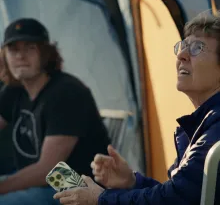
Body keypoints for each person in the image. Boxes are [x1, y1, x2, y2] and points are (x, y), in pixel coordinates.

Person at [54, 12, 220, 204]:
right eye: (182, 47)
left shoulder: (215, 125)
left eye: (197, 48)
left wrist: (100, 199)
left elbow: (175, 199)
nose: (181, 55)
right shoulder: (203, 124)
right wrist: (131, 182)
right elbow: (177, 193)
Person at [0, 18, 110, 205]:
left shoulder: (66, 92)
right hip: (39, 181)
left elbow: (48, 170)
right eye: (13, 49)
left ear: (46, 53)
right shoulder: (16, 90)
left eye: (30, 48)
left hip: (76, 185)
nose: (20, 56)